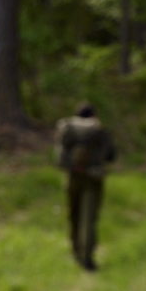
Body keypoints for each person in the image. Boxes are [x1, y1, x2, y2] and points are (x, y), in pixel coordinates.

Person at [55, 104, 116, 271]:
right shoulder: (99, 130)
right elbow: (111, 155)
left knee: (74, 215)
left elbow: (61, 153)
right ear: (94, 116)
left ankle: (75, 251)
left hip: (73, 176)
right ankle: (87, 258)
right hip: (93, 178)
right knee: (89, 217)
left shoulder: (69, 129)